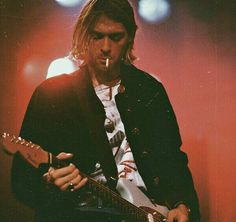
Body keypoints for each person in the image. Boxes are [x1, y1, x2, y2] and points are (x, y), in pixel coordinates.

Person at [11, 0, 200, 221]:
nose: (106, 47)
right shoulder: (52, 94)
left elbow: (173, 159)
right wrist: (49, 182)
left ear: (130, 37)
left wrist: (181, 204)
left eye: (115, 37)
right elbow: (21, 181)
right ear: (83, 35)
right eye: (97, 35)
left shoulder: (149, 90)